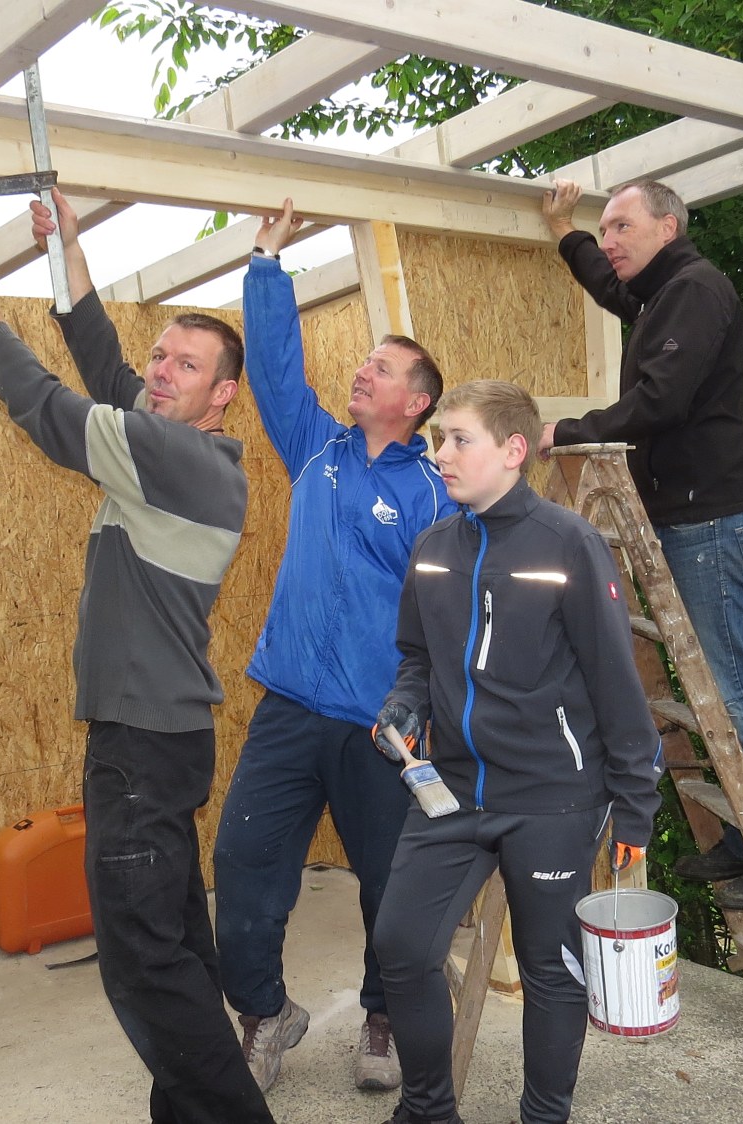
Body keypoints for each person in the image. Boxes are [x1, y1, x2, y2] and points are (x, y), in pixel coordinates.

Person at [0, 188, 273, 1124]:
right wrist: (70, 252)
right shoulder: (174, 445)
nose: (161, 372)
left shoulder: (178, 461)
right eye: (161, 354)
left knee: (143, 960)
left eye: (187, 365)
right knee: (175, 939)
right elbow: (105, 364)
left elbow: (52, 409)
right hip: (155, 737)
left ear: (223, 395)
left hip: (143, 742)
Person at [371, 380, 664, 1124]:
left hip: (552, 799)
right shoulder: (432, 547)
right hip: (450, 791)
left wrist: (634, 805)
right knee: (401, 948)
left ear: (513, 450)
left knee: (550, 969)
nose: (441, 454)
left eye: (458, 439)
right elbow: (416, 658)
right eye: (438, 439)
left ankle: (544, 1116)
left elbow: (615, 680)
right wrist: (404, 706)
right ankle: (428, 1111)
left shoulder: (569, 543)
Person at [535, 177, 743, 911]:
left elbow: (661, 399)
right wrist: (567, 233)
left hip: (713, 521)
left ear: (668, 227)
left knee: (738, 690)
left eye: (622, 227)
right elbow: (611, 287)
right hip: (694, 518)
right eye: (606, 230)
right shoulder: (662, 294)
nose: (610, 242)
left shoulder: (694, 289)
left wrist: (568, 432)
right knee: (722, 691)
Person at [210, 198, 447, 1095]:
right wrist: (266, 265)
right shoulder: (316, 448)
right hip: (289, 707)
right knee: (242, 864)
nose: (362, 370)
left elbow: (448, 617)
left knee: (390, 883)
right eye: (363, 361)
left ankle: (383, 1017)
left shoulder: (435, 492)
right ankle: (265, 1013)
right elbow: (275, 368)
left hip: (383, 726)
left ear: (415, 402)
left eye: (381, 368)